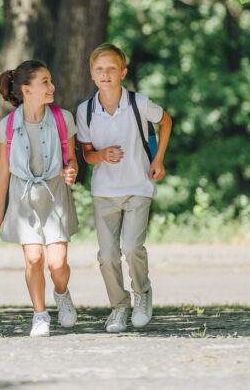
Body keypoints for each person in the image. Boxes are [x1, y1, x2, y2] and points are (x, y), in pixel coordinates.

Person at [75, 43, 172, 333]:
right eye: (100, 69)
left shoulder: (139, 103)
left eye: (112, 69)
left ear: (123, 73)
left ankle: (142, 294)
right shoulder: (86, 111)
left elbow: (166, 122)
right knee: (107, 256)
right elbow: (87, 155)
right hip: (104, 192)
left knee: (131, 247)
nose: (106, 74)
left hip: (138, 186)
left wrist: (158, 159)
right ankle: (119, 306)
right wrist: (102, 156)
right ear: (92, 74)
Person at [0, 60, 79, 337]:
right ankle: (40, 315)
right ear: (26, 90)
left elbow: (71, 158)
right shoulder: (8, 125)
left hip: (55, 195)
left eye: (50, 81)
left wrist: (71, 169)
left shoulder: (63, 119)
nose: (52, 87)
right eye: (45, 82)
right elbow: (2, 170)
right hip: (23, 197)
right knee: (34, 258)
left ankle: (62, 295)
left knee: (57, 263)